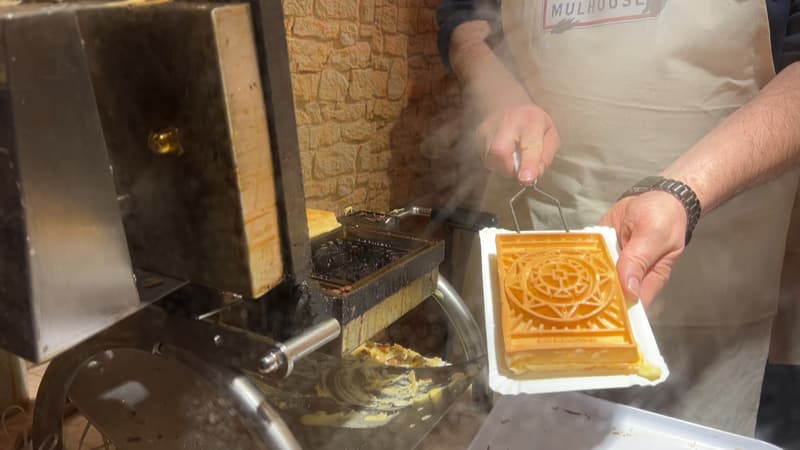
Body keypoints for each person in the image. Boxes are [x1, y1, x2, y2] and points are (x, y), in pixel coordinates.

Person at [438, 0, 800, 436]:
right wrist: (501, 95)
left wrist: (683, 191)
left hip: (711, 284)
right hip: (526, 260)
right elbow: (464, 20)